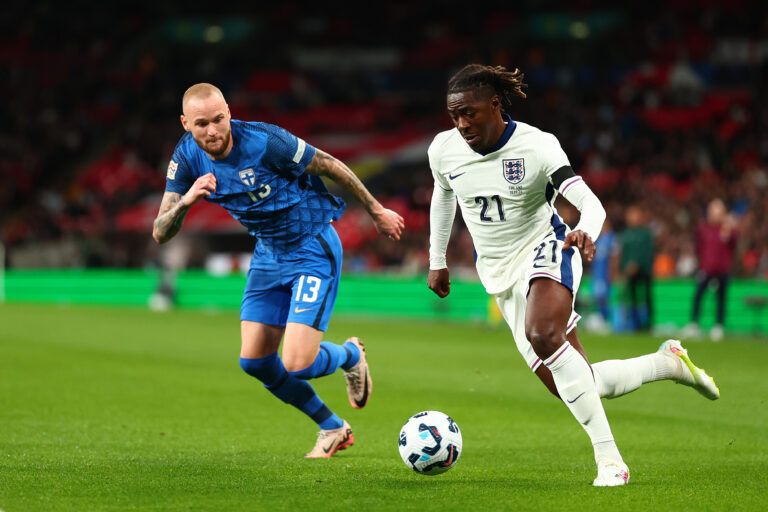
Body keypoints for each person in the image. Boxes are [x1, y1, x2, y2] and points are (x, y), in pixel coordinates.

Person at [426, 64, 719, 487]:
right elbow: (442, 195)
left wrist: (586, 230)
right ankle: (667, 365)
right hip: (499, 275)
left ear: (494, 105)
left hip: (549, 246)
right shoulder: (444, 149)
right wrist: (437, 258)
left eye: (469, 113)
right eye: (454, 115)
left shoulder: (537, 146)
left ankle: (611, 462)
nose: (461, 123)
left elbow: (589, 201)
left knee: (544, 334)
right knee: (579, 382)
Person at [152, 83, 404, 458]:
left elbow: (330, 165)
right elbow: (160, 231)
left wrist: (376, 210)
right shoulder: (187, 157)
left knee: (297, 363)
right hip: (268, 256)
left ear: (229, 112)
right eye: (202, 123)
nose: (214, 131)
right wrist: (187, 200)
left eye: (220, 119)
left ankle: (351, 356)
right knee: (254, 362)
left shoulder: (268, 142)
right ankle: (332, 427)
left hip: (311, 247)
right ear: (186, 123)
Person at [684, 198, 738, 341]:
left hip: (722, 270)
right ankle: (694, 324)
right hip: (706, 269)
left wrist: (728, 227)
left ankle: (718, 326)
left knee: (721, 299)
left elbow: (733, 245)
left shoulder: (727, 230)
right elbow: (699, 248)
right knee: (698, 296)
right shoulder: (704, 229)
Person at [617, 205, 655, 331]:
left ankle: (649, 323)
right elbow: (623, 254)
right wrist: (623, 269)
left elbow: (647, 252)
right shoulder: (625, 234)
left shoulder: (645, 234)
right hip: (630, 273)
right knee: (632, 298)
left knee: (647, 296)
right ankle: (635, 323)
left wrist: (636, 265)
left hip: (644, 271)